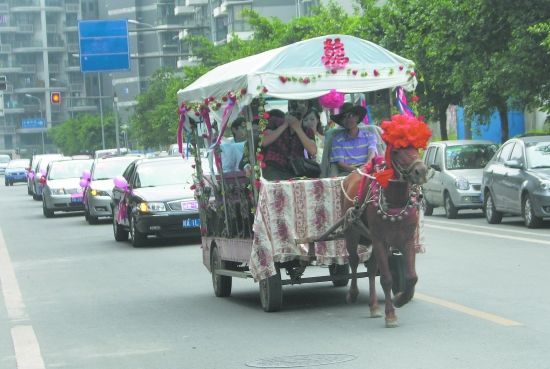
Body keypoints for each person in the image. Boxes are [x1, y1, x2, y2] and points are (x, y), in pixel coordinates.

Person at [261, 108, 317, 180]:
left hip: (295, 169)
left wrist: (297, 128)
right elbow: (264, 141)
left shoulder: (307, 130)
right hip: (274, 166)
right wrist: (285, 125)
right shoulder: (276, 123)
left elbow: (313, 151)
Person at [329, 102, 377, 176]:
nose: (348, 119)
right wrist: (358, 171)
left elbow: (371, 155)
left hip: (368, 169)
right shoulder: (337, 140)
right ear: (341, 121)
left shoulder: (369, 136)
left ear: (357, 117)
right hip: (347, 173)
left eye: (351, 115)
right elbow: (340, 164)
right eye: (344, 117)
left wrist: (365, 168)